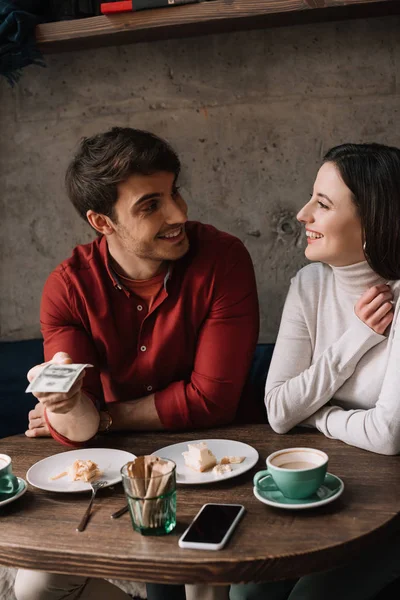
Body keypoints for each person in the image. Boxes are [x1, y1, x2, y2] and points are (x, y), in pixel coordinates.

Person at [15, 127, 259, 600]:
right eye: (151, 205)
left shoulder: (223, 259)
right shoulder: (67, 288)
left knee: (202, 583)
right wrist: (63, 402)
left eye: (174, 193)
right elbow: (77, 432)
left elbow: (213, 400)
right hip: (119, 477)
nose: (178, 214)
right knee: (34, 586)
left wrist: (104, 415)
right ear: (101, 222)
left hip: (218, 469)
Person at [231, 142, 400, 600]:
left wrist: (318, 415)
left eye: (322, 204)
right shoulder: (308, 285)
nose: (302, 214)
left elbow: (388, 434)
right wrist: (358, 337)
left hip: (393, 504)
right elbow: (279, 411)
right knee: (247, 594)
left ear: (373, 222)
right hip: (323, 486)